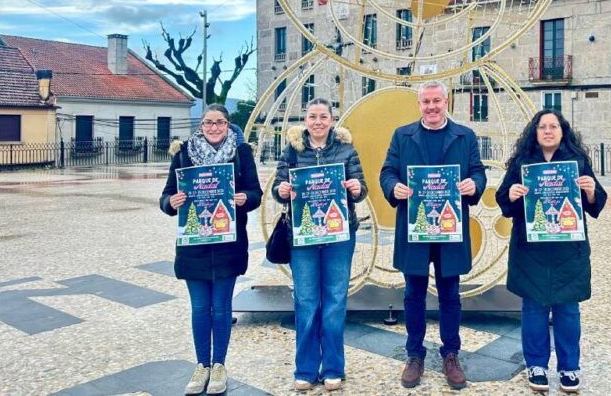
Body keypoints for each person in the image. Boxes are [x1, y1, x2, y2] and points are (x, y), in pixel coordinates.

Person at [379, 81, 487, 390]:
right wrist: (392, 187)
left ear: (446, 100)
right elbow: (387, 172)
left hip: (450, 229)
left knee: (450, 295)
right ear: (419, 105)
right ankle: (415, 354)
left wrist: (474, 185)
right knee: (413, 294)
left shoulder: (466, 136)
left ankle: (451, 354)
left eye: (436, 100)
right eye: (426, 101)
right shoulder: (402, 135)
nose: (431, 106)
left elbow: (478, 171)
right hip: (415, 228)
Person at [495, 110, 607, 393]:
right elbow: (502, 199)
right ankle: (537, 365)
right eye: (542, 126)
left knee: (567, 310)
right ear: (534, 132)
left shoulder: (577, 163)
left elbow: (596, 203)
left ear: (562, 131)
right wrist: (510, 195)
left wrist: (591, 191)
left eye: (553, 126)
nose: (548, 131)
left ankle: (570, 367)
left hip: (568, 250)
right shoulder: (522, 164)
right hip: (530, 249)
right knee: (533, 309)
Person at [159, 104, 262, 395]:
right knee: (201, 308)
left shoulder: (241, 154)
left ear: (229, 125)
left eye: (219, 122)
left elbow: (256, 193)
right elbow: (166, 195)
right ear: (201, 125)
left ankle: (219, 365)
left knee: (222, 308)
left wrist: (245, 198)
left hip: (229, 243)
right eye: (208, 122)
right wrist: (172, 203)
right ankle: (201, 364)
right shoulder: (183, 153)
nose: (214, 127)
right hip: (195, 245)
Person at [271, 97, 368, 392]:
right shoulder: (292, 151)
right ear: (305, 119)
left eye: (323, 116)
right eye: (312, 116)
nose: (317, 122)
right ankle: (306, 368)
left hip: (339, 235)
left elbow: (361, 188)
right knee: (306, 301)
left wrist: (355, 188)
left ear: (331, 120)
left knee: (335, 300)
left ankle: (334, 368)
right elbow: (277, 188)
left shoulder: (346, 149)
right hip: (303, 236)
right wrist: (282, 189)